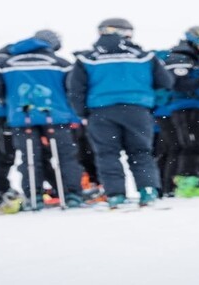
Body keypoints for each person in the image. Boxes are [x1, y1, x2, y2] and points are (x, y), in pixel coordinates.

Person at [67, 18, 173, 208]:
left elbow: (75, 89)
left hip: (101, 112)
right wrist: (151, 104)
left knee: (107, 154)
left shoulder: (87, 58)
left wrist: (83, 113)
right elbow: (165, 83)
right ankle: (148, 191)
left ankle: (115, 195)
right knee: (141, 152)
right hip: (137, 110)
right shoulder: (144, 56)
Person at [0, 30, 87, 209]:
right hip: (56, 115)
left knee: (30, 157)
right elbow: (73, 89)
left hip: (22, 116)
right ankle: (72, 194)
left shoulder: (6, 63)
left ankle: (34, 196)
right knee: (65, 157)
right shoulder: (60, 63)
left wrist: (10, 99)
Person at [162, 26, 199, 198]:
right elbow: (179, 85)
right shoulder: (180, 57)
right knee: (192, 144)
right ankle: (184, 184)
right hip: (187, 108)